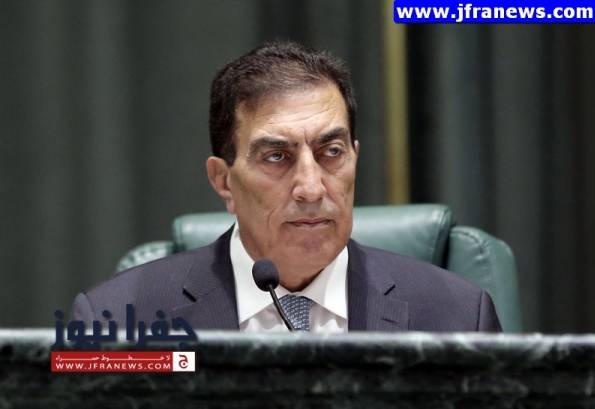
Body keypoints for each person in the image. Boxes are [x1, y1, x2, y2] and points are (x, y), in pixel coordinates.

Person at [72, 41, 502, 333]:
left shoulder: (457, 318)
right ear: (223, 180)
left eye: (331, 152)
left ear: (355, 158)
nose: (311, 188)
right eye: (276, 156)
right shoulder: (118, 323)